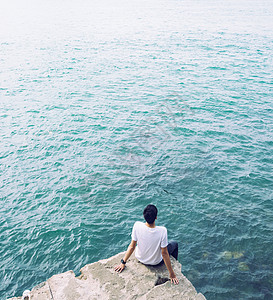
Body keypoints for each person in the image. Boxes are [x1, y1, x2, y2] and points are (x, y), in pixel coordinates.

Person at [114, 204, 179, 284]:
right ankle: (174, 262)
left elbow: (132, 247)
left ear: (144, 216)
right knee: (174, 244)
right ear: (156, 217)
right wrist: (172, 274)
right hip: (156, 263)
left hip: (140, 258)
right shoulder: (162, 231)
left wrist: (123, 262)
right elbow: (164, 253)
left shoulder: (137, 225)